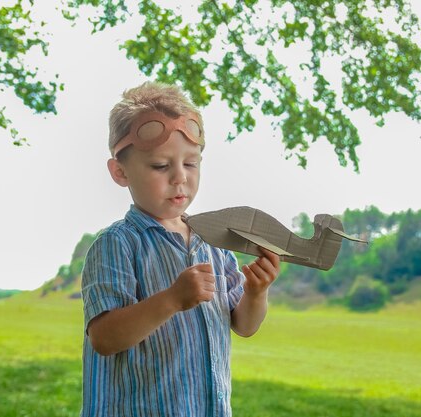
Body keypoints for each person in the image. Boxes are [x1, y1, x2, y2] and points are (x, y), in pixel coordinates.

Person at [80, 81, 280, 417]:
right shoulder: (117, 244)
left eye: (191, 164)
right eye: (161, 166)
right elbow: (104, 337)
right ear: (120, 171)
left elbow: (244, 325)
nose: (179, 178)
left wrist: (257, 293)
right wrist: (171, 299)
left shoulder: (215, 244)